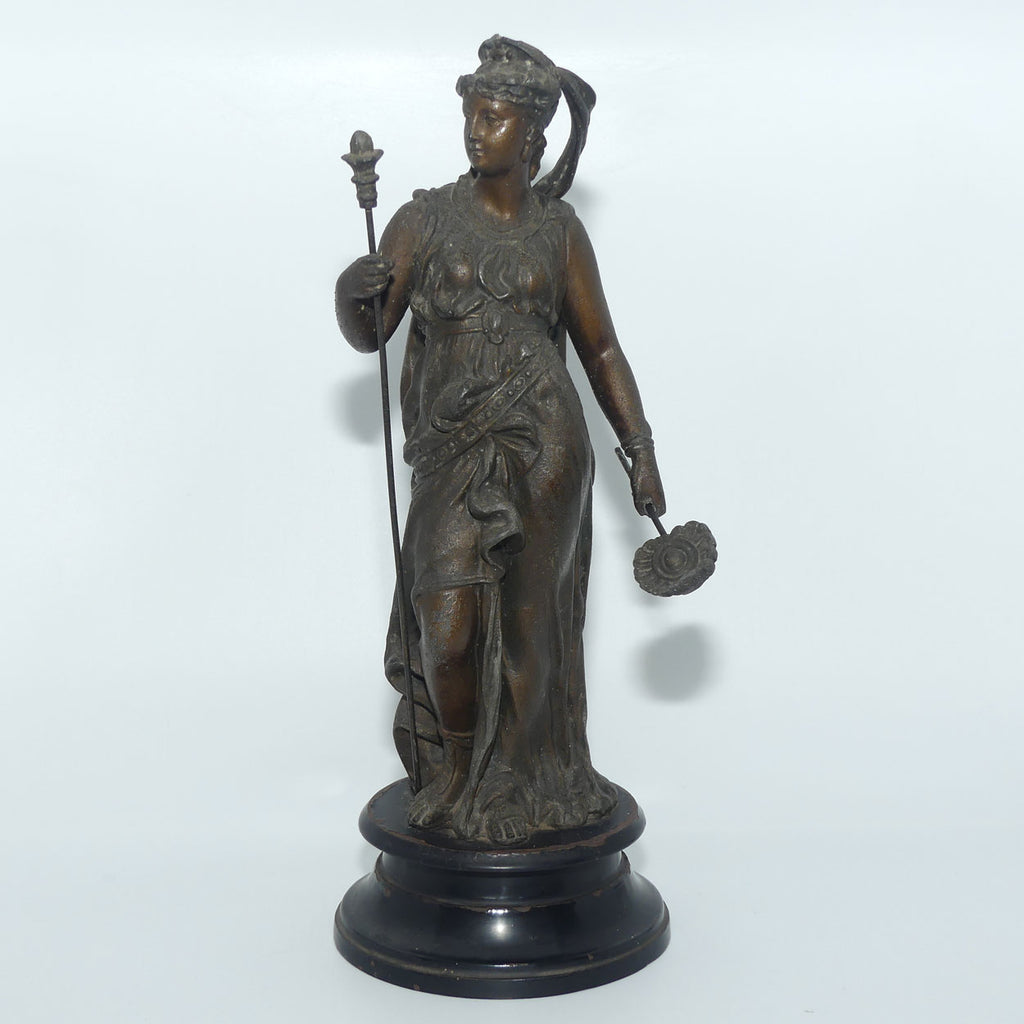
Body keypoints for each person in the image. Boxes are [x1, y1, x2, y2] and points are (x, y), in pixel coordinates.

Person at [335, 36, 666, 845]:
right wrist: (352, 292)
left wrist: (640, 451)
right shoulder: (421, 220)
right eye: (472, 115)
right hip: (452, 450)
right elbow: (372, 333)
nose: (475, 131)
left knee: (529, 628)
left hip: (546, 445)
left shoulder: (559, 232)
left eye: (493, 119)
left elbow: (601, 350)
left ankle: (521, 783)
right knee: (445, 623)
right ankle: (455, 771)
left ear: (531, 135)